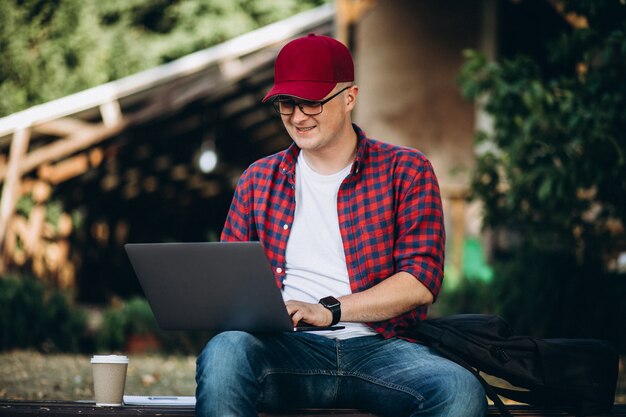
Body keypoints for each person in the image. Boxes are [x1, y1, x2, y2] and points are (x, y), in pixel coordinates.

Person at [195, 33, 487, 417]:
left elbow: (420, 281)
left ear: (349, 97)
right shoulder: (257, 179)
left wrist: (328, 310)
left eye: (312, 103)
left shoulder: (407, 170)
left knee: (459, 390)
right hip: (287, 349)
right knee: (225, 351)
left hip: (383, 349)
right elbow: (229, 281)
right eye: (287, 103)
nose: (298, 117)